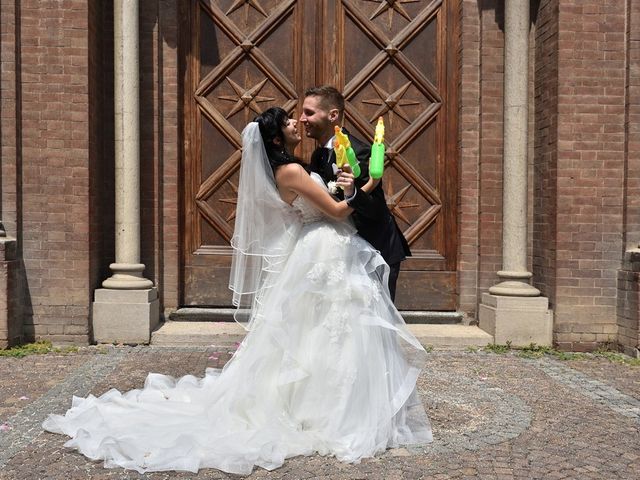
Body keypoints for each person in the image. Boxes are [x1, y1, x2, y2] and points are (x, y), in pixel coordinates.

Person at [42, 107, 432, 475]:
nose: (297, 122)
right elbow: (336, 211)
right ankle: (323, 411)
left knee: (327, 330)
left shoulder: (300, 164)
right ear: (277, 139)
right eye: (288, 122)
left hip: (324, 251)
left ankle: (338, 405)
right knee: (324, 328)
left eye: (299, 117)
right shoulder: (292, 171)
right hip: (323, 247)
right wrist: (368, 184)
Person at [300, 86, 411, 301]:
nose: (302, 118)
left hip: (374, 249)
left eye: (309, 113)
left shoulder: (359, 152)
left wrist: (352, 192)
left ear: (333, 115)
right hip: (340, 250)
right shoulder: (318, 155)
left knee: (374, 324)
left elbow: (376, 209)